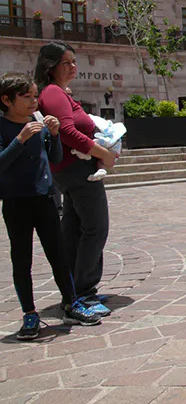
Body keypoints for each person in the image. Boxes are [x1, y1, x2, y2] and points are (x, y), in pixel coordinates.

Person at [0, 73, 101, 339]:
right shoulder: (4, 127)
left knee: (58, 254)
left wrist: (54, 135)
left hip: (45, 199)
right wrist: (19, 140)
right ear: (6, 100)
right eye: (26, 97)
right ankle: (29, 314)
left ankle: (71, 303)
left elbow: (55, 157)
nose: (34, 102)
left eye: (35, 96)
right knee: (22, 259)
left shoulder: (39, 123)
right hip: (16, 202)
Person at [35, 42, 117, 317]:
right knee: (95, 228)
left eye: (74, 61)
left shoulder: (56, 92)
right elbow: (68, 132)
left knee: (73, 230)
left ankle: (73, 289)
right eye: (66, 62)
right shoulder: (54, 93)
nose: (73, 67)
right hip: (79, 171)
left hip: (69, 171)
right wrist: (103, 153)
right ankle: (84, 291)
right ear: (51, 66)